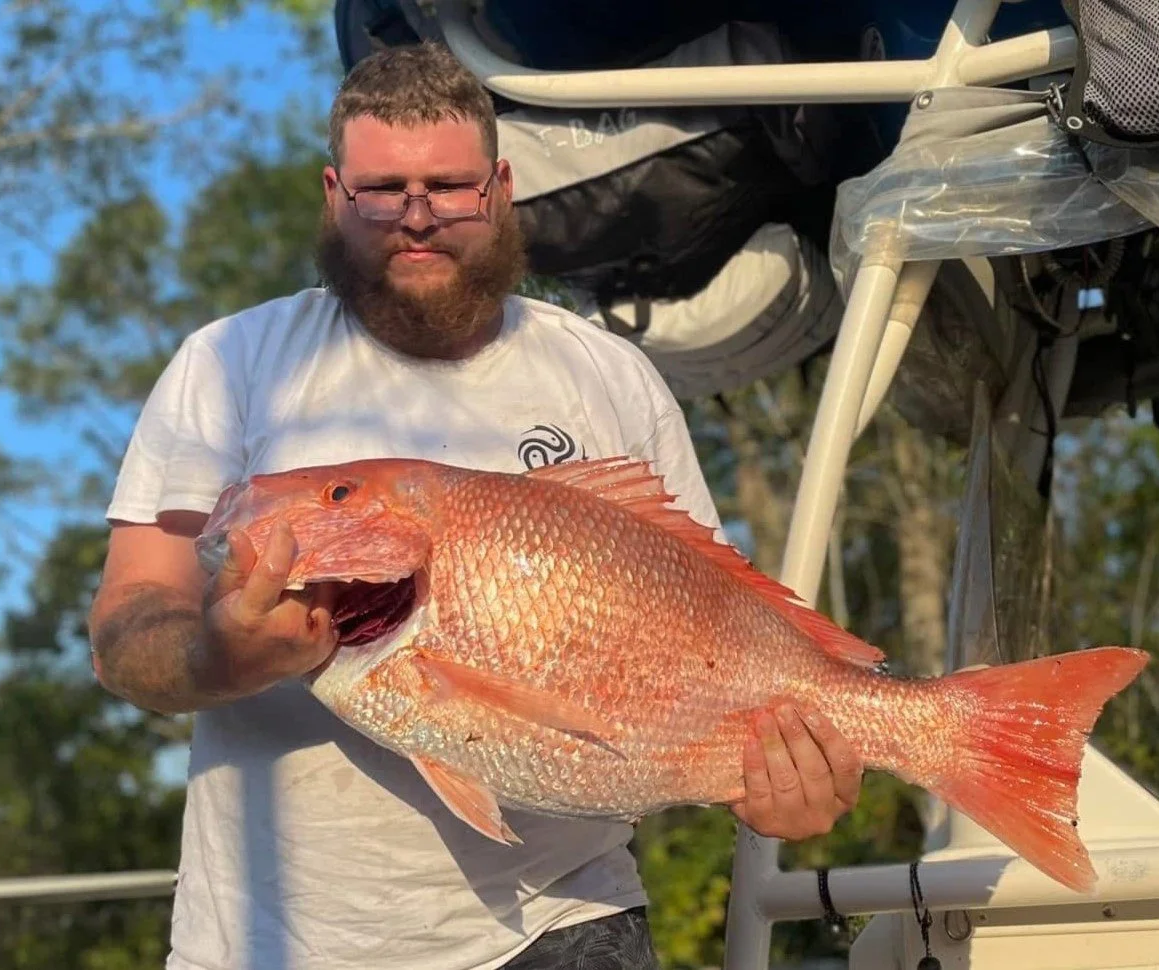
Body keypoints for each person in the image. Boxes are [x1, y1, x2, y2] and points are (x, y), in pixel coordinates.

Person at [88, 41, 864, 970]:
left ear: (498, 186)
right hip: (271, 938)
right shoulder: (229, 364)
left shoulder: (608, 373)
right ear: (334, 195)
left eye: (448, 187)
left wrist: (787, 781)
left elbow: (711, 614)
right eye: (384, 190)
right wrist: (218, 656)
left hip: (568, 922)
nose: (417, 219)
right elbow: (125, 626)